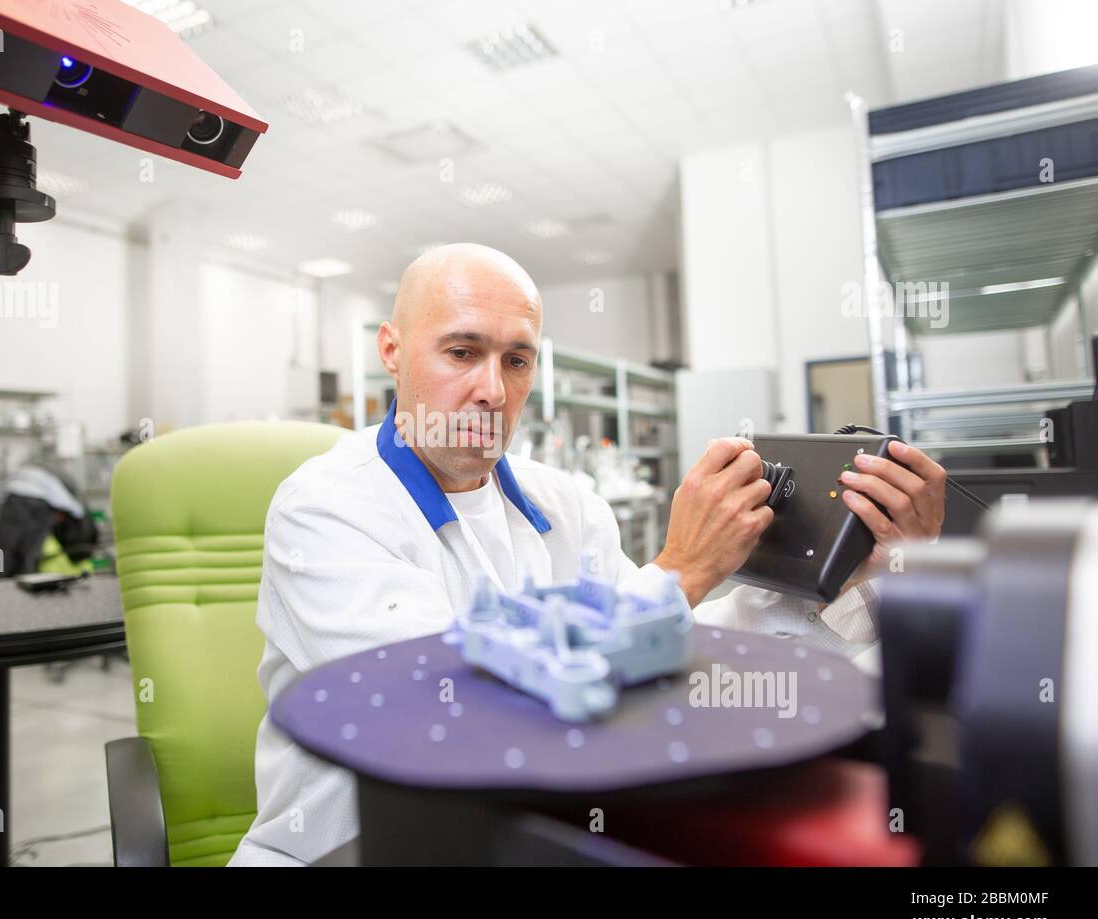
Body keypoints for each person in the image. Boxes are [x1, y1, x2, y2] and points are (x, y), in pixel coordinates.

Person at [228, 243, 946, 866]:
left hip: (533, 832)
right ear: (391, 349)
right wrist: (681, 571)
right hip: (348, 850)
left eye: (517, 360)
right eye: (461, 351)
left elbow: (675, 656)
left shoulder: (562, 502)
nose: (491, 390)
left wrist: (874, 577)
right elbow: (447, 712)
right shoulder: (326, 505)